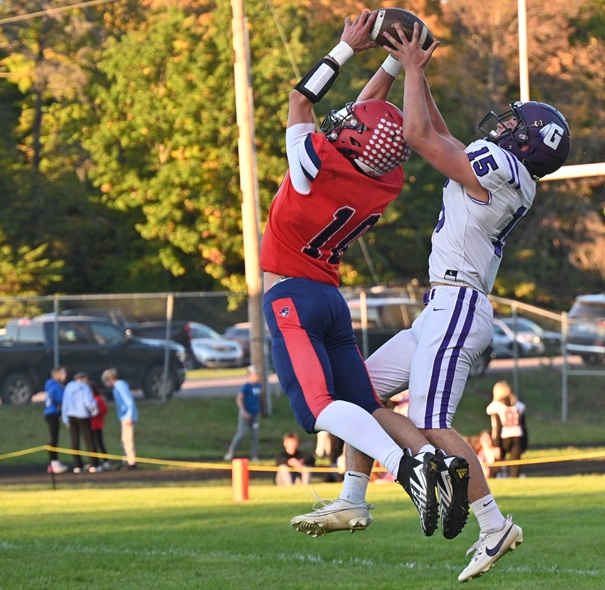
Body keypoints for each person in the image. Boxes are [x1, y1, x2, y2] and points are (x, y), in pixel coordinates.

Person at [294, 21, 572, 582]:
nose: (504, 123)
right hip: (439, 308)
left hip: (459, 305)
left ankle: (494, 524)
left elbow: (421, 140)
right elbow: (439, 134)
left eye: (516, 123)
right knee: (359, 388)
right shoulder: (499, 166)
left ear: (525, 143)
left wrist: (412, 71)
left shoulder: (508, 171)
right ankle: (353, 498)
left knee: (430, 421)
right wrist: (415, 67)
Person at [260, 10, 467, 539]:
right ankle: (424, 465)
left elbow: (302, 100)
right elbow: (367, 122)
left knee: (318, 409)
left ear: (350, 142)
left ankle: (406, 467)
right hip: (330, 300)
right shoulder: (385, 180)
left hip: (292, 298)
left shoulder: (314, 163)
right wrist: (397, 66)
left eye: (349, 127)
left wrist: (347, 46)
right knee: (366, 406)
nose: (344, 121)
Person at [486, 381, 528, 478]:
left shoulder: (496, 406)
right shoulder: (518, 405)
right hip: (518, 435)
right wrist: (524, 444)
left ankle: (491, 478)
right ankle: (514, 480)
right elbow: (524, 425)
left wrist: (496, 444)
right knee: (515, 463)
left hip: (504, 436)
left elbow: (497, 426)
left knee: (498, 460)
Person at [61, 371, 100, 473]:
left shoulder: (68, 387)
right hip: (83, 415)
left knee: (74, 441)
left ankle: (77, 466)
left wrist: (65, 419)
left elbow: (65, 403)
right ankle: (93, 464)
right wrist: (95, 410)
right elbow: (88, 402)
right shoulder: (84, 387)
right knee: (89, 440)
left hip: (71, 416)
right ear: (83, 379)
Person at [101, 368, 138, 470]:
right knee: (124, 440)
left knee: (127, 440)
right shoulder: (117, 387)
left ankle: (131, 463)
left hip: (127, 417)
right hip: (124, 417)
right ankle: (126, 461)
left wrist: (129, 416)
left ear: (110, 379)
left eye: (105, 381)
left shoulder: (120, 386)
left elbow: (129, 402)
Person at [223, 365, 262, 462]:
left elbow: (257, 399)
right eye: (255, 374)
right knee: (241, 433)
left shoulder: (259, 386)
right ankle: (231, 452)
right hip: (245, 414)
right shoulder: (246, 387)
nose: (257, 376)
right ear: (249, 375)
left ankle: (254, 456)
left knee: (255, 435)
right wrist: (244, 411)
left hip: (255, 414)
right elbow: (239, 399)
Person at [44, 366, 69, 474]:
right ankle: (53, 462)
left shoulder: (51, 385)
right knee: (54, 438)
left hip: (52, 414)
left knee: (55, 437)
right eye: (63, 373)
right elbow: (61, 398)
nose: (65, 375)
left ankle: (54, 462)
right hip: (51, 414)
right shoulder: (54, 385)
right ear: (57, 374)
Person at [90, 383, 112, 471]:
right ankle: (98, 462)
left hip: (96, 425)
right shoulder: (93, 399)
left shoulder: (98, 399)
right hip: (91, 425)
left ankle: (105, 461)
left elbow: (103, 411)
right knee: (93, 444)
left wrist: (97, 412)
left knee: (99, 443)